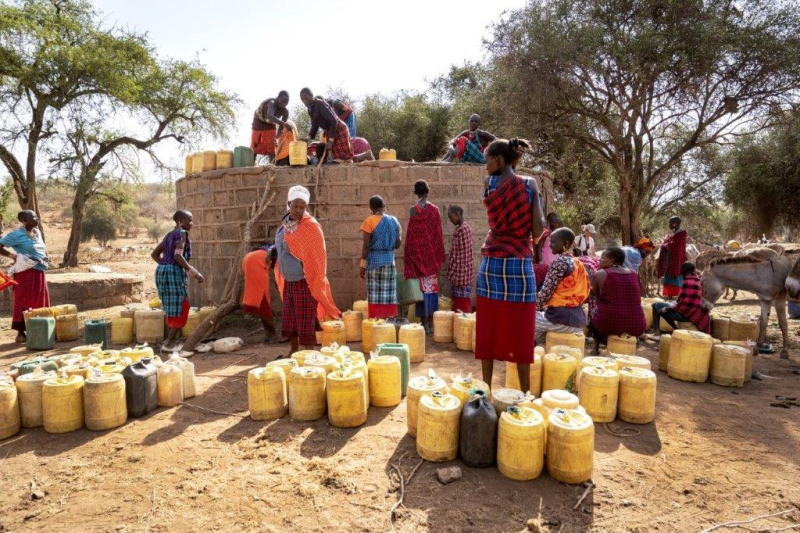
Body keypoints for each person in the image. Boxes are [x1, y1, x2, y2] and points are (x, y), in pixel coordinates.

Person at [475, 138, 545, 394]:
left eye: (488, 161)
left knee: (489, 324)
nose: (485, 167)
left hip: (491, 261)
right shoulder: (529, 185)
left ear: (499, 160)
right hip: (519, 261)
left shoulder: (488, 184)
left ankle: (486, 390)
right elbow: (537, 231)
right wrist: (536, 200)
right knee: (521, 326)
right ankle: (525, 393)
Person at [273, 185, 341, 354]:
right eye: (295, 206)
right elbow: (281, 247)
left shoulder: (310, 227)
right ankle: (294, 352)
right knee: (291, 319)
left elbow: (318, 255)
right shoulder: (285, 225)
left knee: (305, 320)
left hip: (305, 281)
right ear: (288, 204)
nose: (298, 210)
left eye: (302, 207)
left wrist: (314, 278)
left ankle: (309, 354)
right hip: (289, 281)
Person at [151, 210, 204, 350]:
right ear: (180, 220)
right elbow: (178, 256)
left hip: (162, 272)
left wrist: (165, 266)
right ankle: (169, 343)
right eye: (190, 220)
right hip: (173, 272)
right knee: (183, 305)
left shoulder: (169, 235)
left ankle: (170, 342)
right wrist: (194, 272)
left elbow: (154, 254)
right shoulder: (182, 234)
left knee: (172, 306)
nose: (192, 223)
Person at [535, 228, 591, 345]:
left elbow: (545, 293)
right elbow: (586, 292)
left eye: (553, 242)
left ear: (565, 244)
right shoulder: (578, 263)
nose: (550, 245)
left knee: (524, 319)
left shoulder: (559, 262)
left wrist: (532, 306)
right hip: (578, 320)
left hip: (560, 319)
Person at [0, 210, 50, 343]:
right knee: (24, 300)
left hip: (39, 270)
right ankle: (21, 332)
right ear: (24, 220)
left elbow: (40, 249)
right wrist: (11, 255)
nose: (36, 217)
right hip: (25, 272)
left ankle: (41, 329)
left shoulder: (37, 232)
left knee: (39, 298)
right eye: (32, 216)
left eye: (36, 215)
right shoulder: (16, 235)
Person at [404, 180, 446, 333]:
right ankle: (430, 325)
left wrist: (410, 257)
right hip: (431, 258)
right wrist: (437, 253)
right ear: (427, 192)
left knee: (421, 291)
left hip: (418, 259)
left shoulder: (413, 210)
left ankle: (424, 324)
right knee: (431, 291)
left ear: (416, 193)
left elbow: (411, 237)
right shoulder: (434, 210)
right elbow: (437, 235)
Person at [589, 247, 647, 354]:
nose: (599, 260)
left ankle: (595, 348)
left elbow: (598, 299)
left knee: (594, 312)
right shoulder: (634, 274)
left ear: (611, 260)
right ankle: (631, 345)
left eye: (602, 257)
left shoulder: (600, 274)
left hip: (610, 324)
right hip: (637, 325)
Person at [360, 195, 402, 319]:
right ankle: (389, 323)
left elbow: (366, 245)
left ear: (371, 208)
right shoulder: (394, 221)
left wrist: (363, 265)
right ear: (384, 206)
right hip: (390, 262)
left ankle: (377, 322)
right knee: (389, 294)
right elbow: (398, 244)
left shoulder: (369, 221)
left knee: (375, 295)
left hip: (374, 264)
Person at [652, 262, 710, 337]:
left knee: (656, 307)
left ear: (684, 271)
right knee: (664, 308)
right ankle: (676, 330)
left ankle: (657, 334)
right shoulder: (699, 280)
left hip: (689, 315)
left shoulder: (687, 282)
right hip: (699, 314)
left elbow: (682, 307)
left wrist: (666, 309)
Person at [301, 88, 354, 162]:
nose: (305, 101)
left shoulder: (320, 103)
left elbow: (333, 120)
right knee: (336, 159)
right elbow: (314, 125)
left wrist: (331, 141)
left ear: (311, 95)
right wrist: (307, 138)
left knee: (346, 158)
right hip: (330, 131)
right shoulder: (310, 109)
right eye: (302, 99)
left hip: (338, 128)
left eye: (306, 98)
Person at [242, 244, 279, 342]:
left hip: (248, 259)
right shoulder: (278, 248)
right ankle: (274, 335)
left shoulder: (267, 248)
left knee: (261, 302)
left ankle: (268, 334)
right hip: (256, 261)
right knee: (263, 301)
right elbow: (278, 275)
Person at [446, 205, 474, 313]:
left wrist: (453, 275)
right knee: (459, 304)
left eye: (450, 216)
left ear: (457, 214)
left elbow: (461, 258)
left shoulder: (462, 230)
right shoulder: (464, 228)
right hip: (462, 275)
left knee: (461, 307)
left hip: (461, 276)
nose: (450, 219)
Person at [251, 91, 290, 163]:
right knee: (255, 143)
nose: (284, 104)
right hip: (259, 121)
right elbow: (270, 115)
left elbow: (281, 127)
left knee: (272, 145)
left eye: (286, 102)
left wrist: (277, 137)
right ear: (278, 98)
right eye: (282, 101)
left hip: (270, 123)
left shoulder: (285, 112)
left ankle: (272, 165)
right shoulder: (272, 102)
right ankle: (251, 162)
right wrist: (283, 124)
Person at [657, 216, 688, 299]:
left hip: (677, 260)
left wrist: (666, 245)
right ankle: (670, 296)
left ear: (675, 223)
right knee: (668, 276)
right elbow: (667, 243)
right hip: (668, 259)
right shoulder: (671, 234)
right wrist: (664, 245)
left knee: (677, 276)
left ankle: (678, 296)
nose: (669, 225)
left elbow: (677, 245)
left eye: (670, 223)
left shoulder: (682, 234)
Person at [534, 212, 562, 286]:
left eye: (557, 223)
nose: (556, 225)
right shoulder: (544, 233)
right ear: (549, 221)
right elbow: (539, 248)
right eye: (554, 222)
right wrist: (541, 263)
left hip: (553, 261)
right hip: (546, 262)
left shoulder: (553, 232)